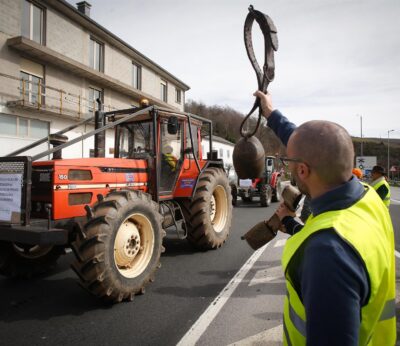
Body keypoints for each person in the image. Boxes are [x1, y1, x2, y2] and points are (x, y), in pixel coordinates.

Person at [254, 90, 396, 345]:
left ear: (303, 170)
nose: (287, 168)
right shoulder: (368, 198)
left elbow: (330, 245)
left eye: (290, 163)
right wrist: (271, 114)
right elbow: (314, 147)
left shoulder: (327, 254)